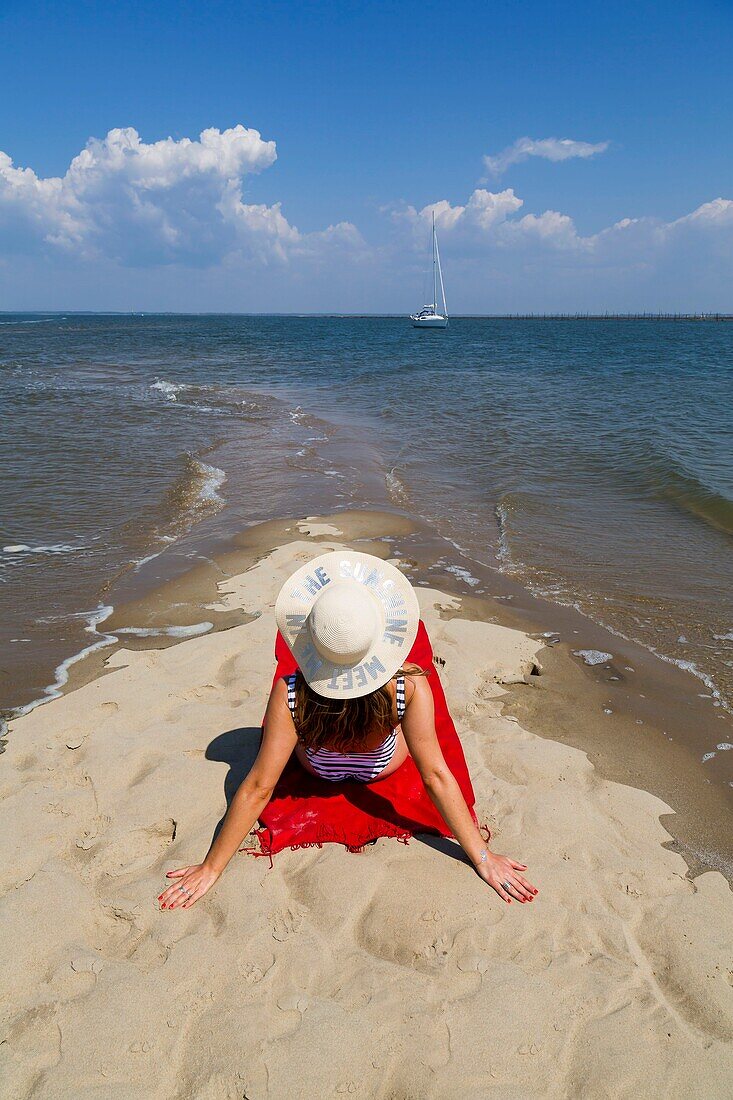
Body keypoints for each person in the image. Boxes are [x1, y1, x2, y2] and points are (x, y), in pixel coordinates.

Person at [158, 551, 538, 911]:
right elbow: (436, 775)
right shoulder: (408, 686)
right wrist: (484, 859)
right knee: (418, 686)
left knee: (298, 721)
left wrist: (211, 868)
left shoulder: (289, 691)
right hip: (381, 765)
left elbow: (259, 786)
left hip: (318, 767)